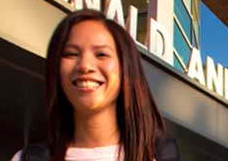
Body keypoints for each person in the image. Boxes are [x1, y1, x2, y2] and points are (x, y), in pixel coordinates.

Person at [12, 9, 177, 161]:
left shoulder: (159, 154)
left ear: (125, 68)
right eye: (71, 54)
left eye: (101, 54)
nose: (85, 66)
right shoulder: (27, 158)